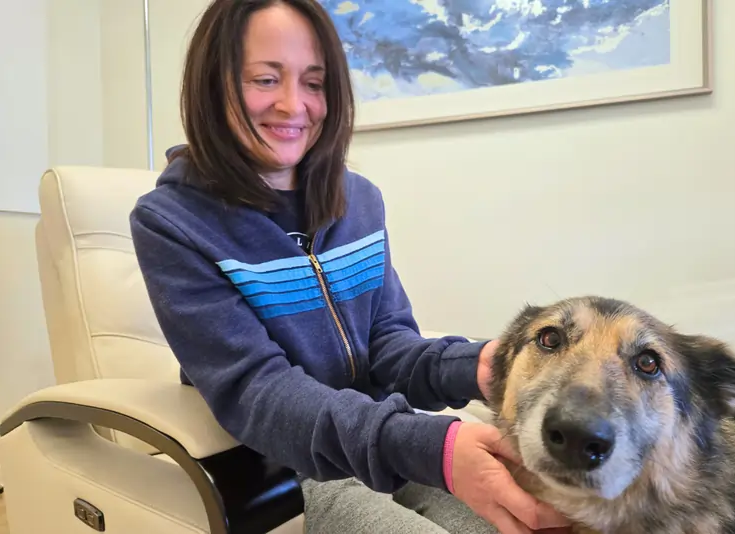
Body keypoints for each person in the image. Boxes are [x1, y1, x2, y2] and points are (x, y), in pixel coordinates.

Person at [129, 1, 572, 533]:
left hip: (386, 432)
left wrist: (477, 366)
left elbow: (387, 344)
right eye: (266, 79)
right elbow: (258, 391)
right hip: (290, 467)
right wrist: (427, 446)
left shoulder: (358, 201)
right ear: (212, 85)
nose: (293, 105)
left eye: (314, 83)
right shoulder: (172, 223)